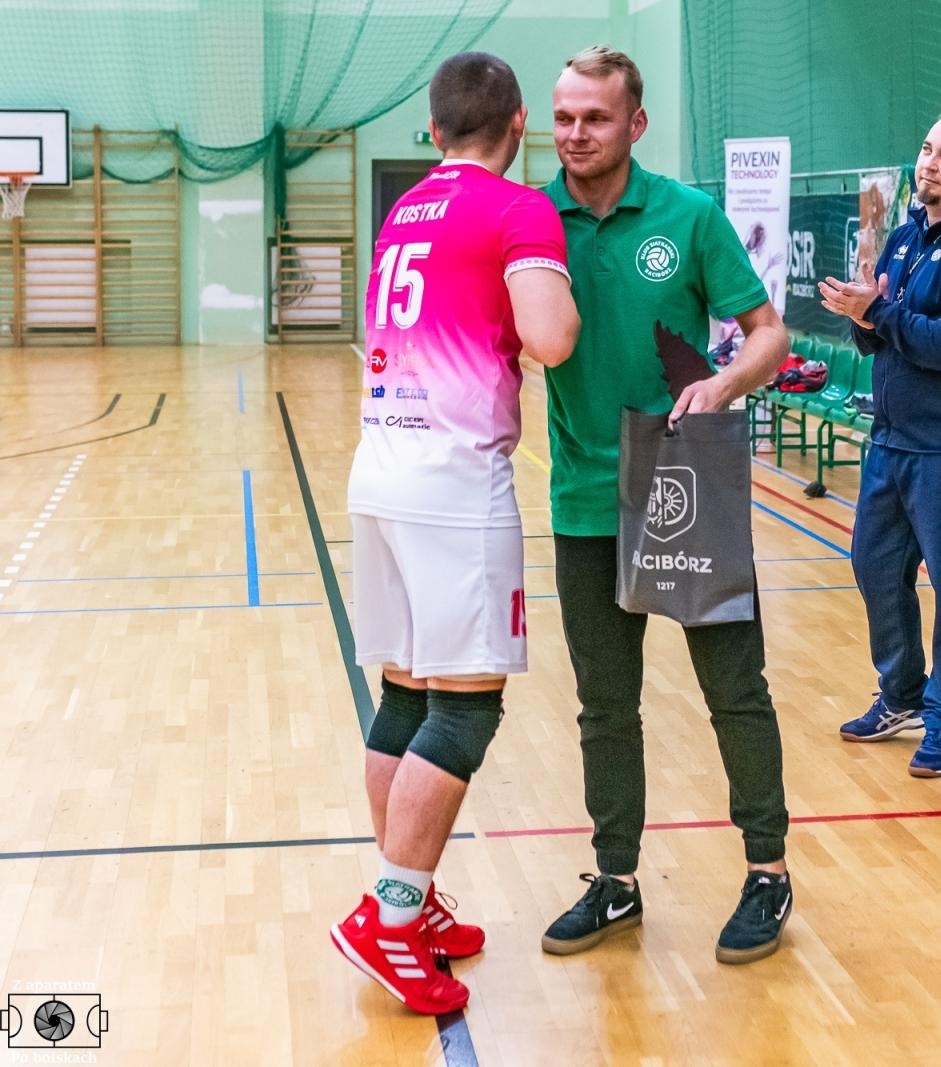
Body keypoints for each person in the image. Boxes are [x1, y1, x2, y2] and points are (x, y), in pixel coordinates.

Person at [331, 52, 579, 1015]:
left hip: (379, 469)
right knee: (466, 706)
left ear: (432, 131)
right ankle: (389, 917)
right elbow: (551, 337)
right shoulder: (517, 208)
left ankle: (416, 898)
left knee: (404, 688)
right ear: (521, 123)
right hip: (453, 480)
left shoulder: (406, 210)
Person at [537, 46, 795, 965]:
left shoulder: (688, 216)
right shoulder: (533, 222)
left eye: (594, 118)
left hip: (684, 488)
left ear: (634, 125)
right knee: (605, 707)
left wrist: (722, 387)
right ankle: (615, 881)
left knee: (736, 692)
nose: (574, 134)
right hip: (582, 500)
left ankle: (767, 871)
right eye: (563, 117)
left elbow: (769, 335)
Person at [818, 112, 941, 778]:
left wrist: (880, 314)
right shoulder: (903, 239)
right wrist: (860, 315)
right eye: (927, 149)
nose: (929, 163)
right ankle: (901, 692)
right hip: (893, 442)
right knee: (874, 565)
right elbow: (884, 336)